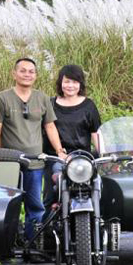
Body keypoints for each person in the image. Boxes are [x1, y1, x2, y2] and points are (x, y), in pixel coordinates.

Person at [0, 58, 68, 241]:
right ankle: (6, 245)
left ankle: (32, 244)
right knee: (7, 204)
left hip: (36, 162)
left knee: (35, 206)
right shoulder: (2, 98)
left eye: (31, 71)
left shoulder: (42, 98)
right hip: (10, 163)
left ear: (35, 75)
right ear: (14, 73)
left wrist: (59, 150)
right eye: (23, 71)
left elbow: (50, 126)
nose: (27, 74)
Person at [44, 64, 102, 201]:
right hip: (56, 158)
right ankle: (47, 220)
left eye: (75, 82)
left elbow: (95, 132)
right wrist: (60, 153)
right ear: (60, 83)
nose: (70, 85)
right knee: (50, 196)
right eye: (67, 81)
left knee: (95, 191)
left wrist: (104, 154)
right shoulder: (51, 104)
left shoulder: (89, 105)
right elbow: (49, 127)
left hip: (83, 157)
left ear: (80, 84)